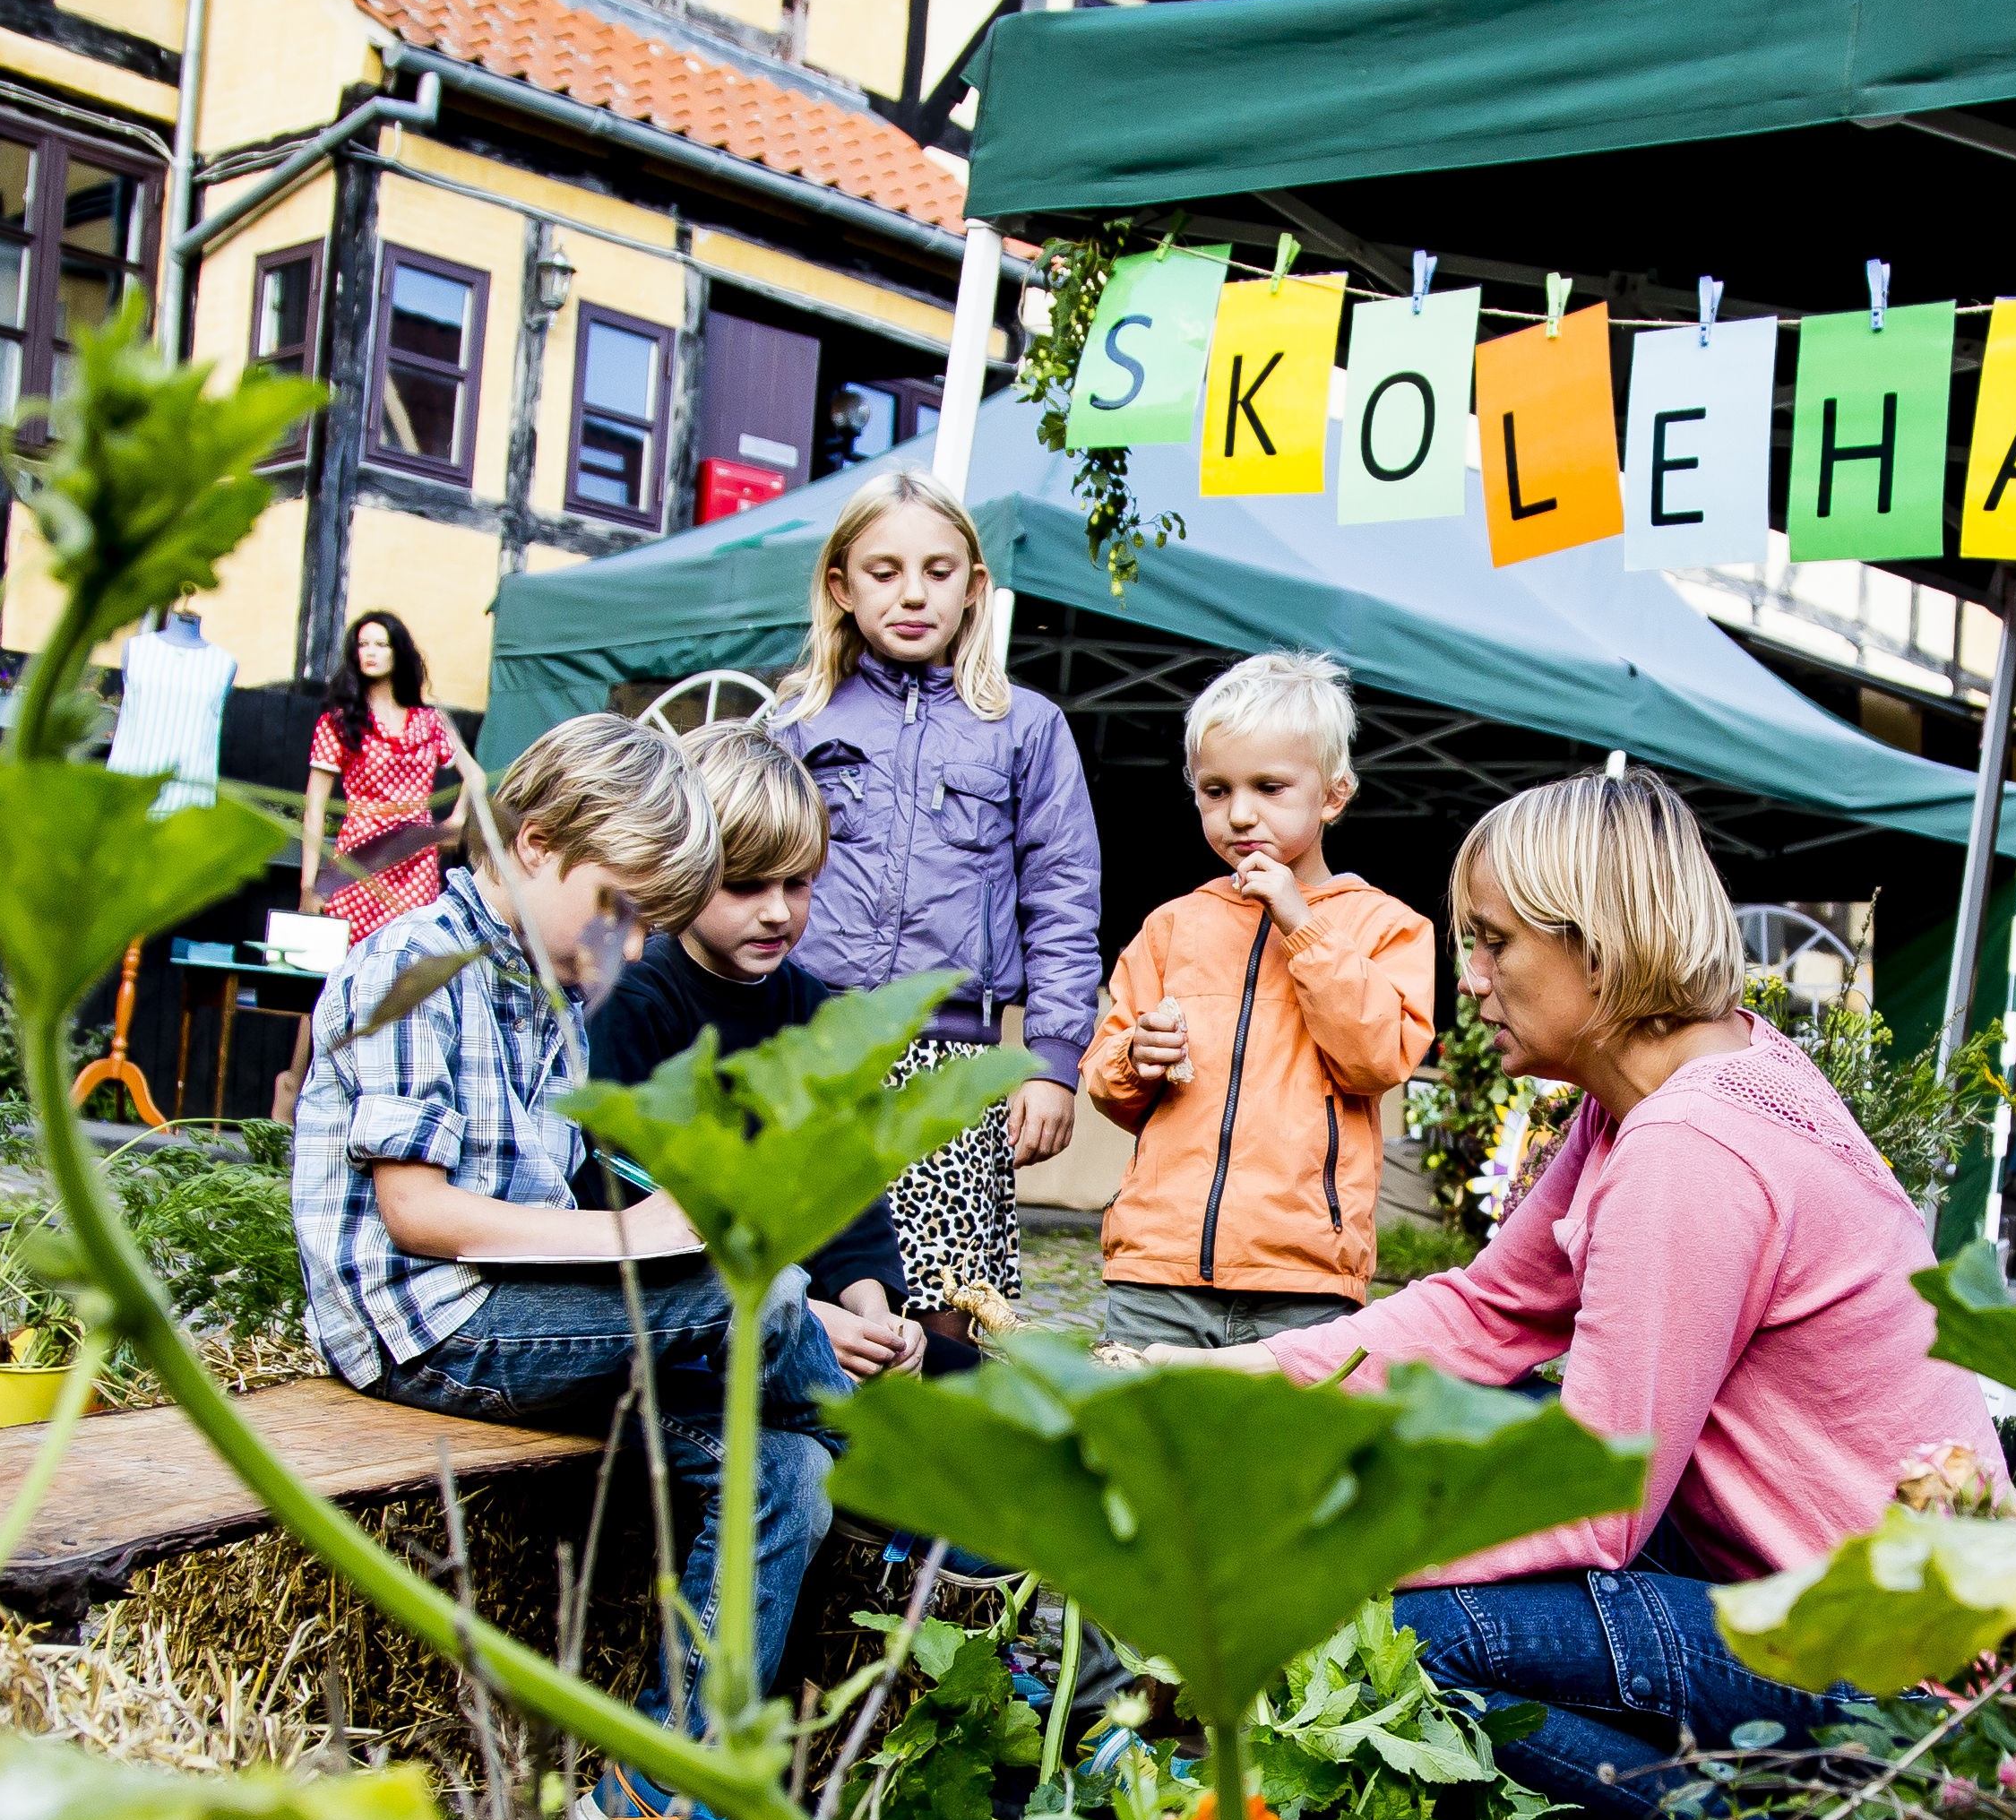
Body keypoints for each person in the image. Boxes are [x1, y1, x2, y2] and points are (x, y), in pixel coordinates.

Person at [1233, 773, 1994, 1820]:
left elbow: (1598, 1499)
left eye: (1496, 944)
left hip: (1888, 1682)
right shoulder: (1668, 1087)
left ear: (1598, 947)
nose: (1474, 978)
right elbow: (1487, 1315)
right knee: (1460, 1451)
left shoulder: (1689, 1149)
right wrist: (1226, 1382)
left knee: (1416, 1642)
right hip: (1794, 1591)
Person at [289, 714, 839, 1820]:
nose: (631, 942)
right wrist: (638, 1243)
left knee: (787, 1463)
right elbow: (423, 1215)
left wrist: (671, 1206)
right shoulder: (413, 965)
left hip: (524, 1313)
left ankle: (660, 1791)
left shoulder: (547, 986)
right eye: (622, 910)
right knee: (768, 1300)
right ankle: (925, 1501)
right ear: (535, 845)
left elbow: (570, 1179)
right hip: (430, 1323)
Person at [766, 475, 1099, 1333]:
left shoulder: (1026, 727)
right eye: (883, 571)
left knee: (944, 1310)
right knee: (808, 1300)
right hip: (817, 1049)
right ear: (840, 586)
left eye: (938, 571)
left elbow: (1063, 899)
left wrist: (1053, 1063)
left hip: (954, 1062)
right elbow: (735, 880)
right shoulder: (794, 722)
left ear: (974, 588)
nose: (912, 593)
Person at [1086, 652, 1436, 1350]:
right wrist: (1136, 1057)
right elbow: (1107, 1082)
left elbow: (1377, 1059)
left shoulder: (1388, 927)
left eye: (1269, 787)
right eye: (1215, 791)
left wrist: (1301, 926)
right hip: (1157, 1270)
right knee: (1140, 1451)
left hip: (1303, 1281)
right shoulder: (1172, 925)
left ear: (1333, 796)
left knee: (1280, 1459)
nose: (1239, 814)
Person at [584, 722, 941, 1386]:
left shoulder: (815, 1010)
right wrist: (800, 1315)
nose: (777, 912)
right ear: (683, 872)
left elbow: (850, 1194)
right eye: (746, 885)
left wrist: (876, 1312)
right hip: (685, 1316)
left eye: (798, 884)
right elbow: (622, 1196)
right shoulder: (635, 998)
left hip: (813, 1301)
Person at [300, 609, 480, 948]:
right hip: (360, 859)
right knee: (349, 965)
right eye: (363, 644)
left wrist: (454, 823)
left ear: (398, 652)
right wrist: (309, 887)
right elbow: (313, 810)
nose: (369, 652)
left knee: (407, 961)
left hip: (415, 863)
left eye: (380, 644)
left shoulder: (430, 722)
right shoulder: (339, 722)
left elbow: (476, 776)